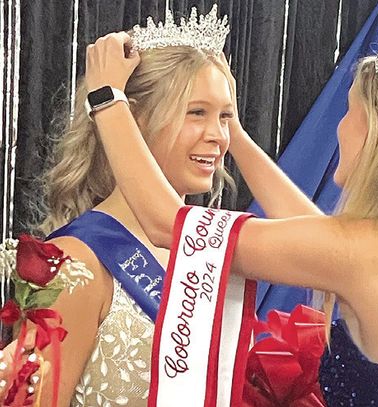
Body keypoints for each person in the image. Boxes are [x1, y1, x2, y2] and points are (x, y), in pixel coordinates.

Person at [84, 1, 378, 406]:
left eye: (348, 112)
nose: (338, 130)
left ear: (376, 131)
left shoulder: (362, 250)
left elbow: (171, 226)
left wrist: (107, 98)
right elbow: (312, 227)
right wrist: (233, 133)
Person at [33, 6, 241, 406]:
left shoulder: (207, 253)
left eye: (226, 117)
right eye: (196, 112)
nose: (218, 136)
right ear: (135, 118)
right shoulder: (75, 263)